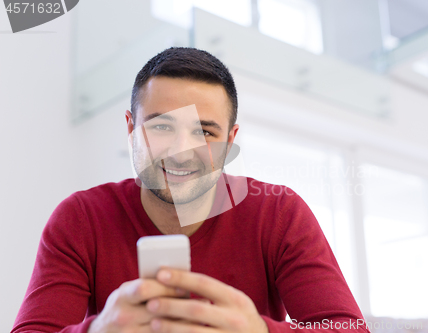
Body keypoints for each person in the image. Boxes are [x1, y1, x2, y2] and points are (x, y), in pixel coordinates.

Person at [11, 47, 369, 333]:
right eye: (162, 127)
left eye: (205, 132)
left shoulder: (279, 212)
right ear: (131, 128)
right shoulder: (80, 218)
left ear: (229, 142)